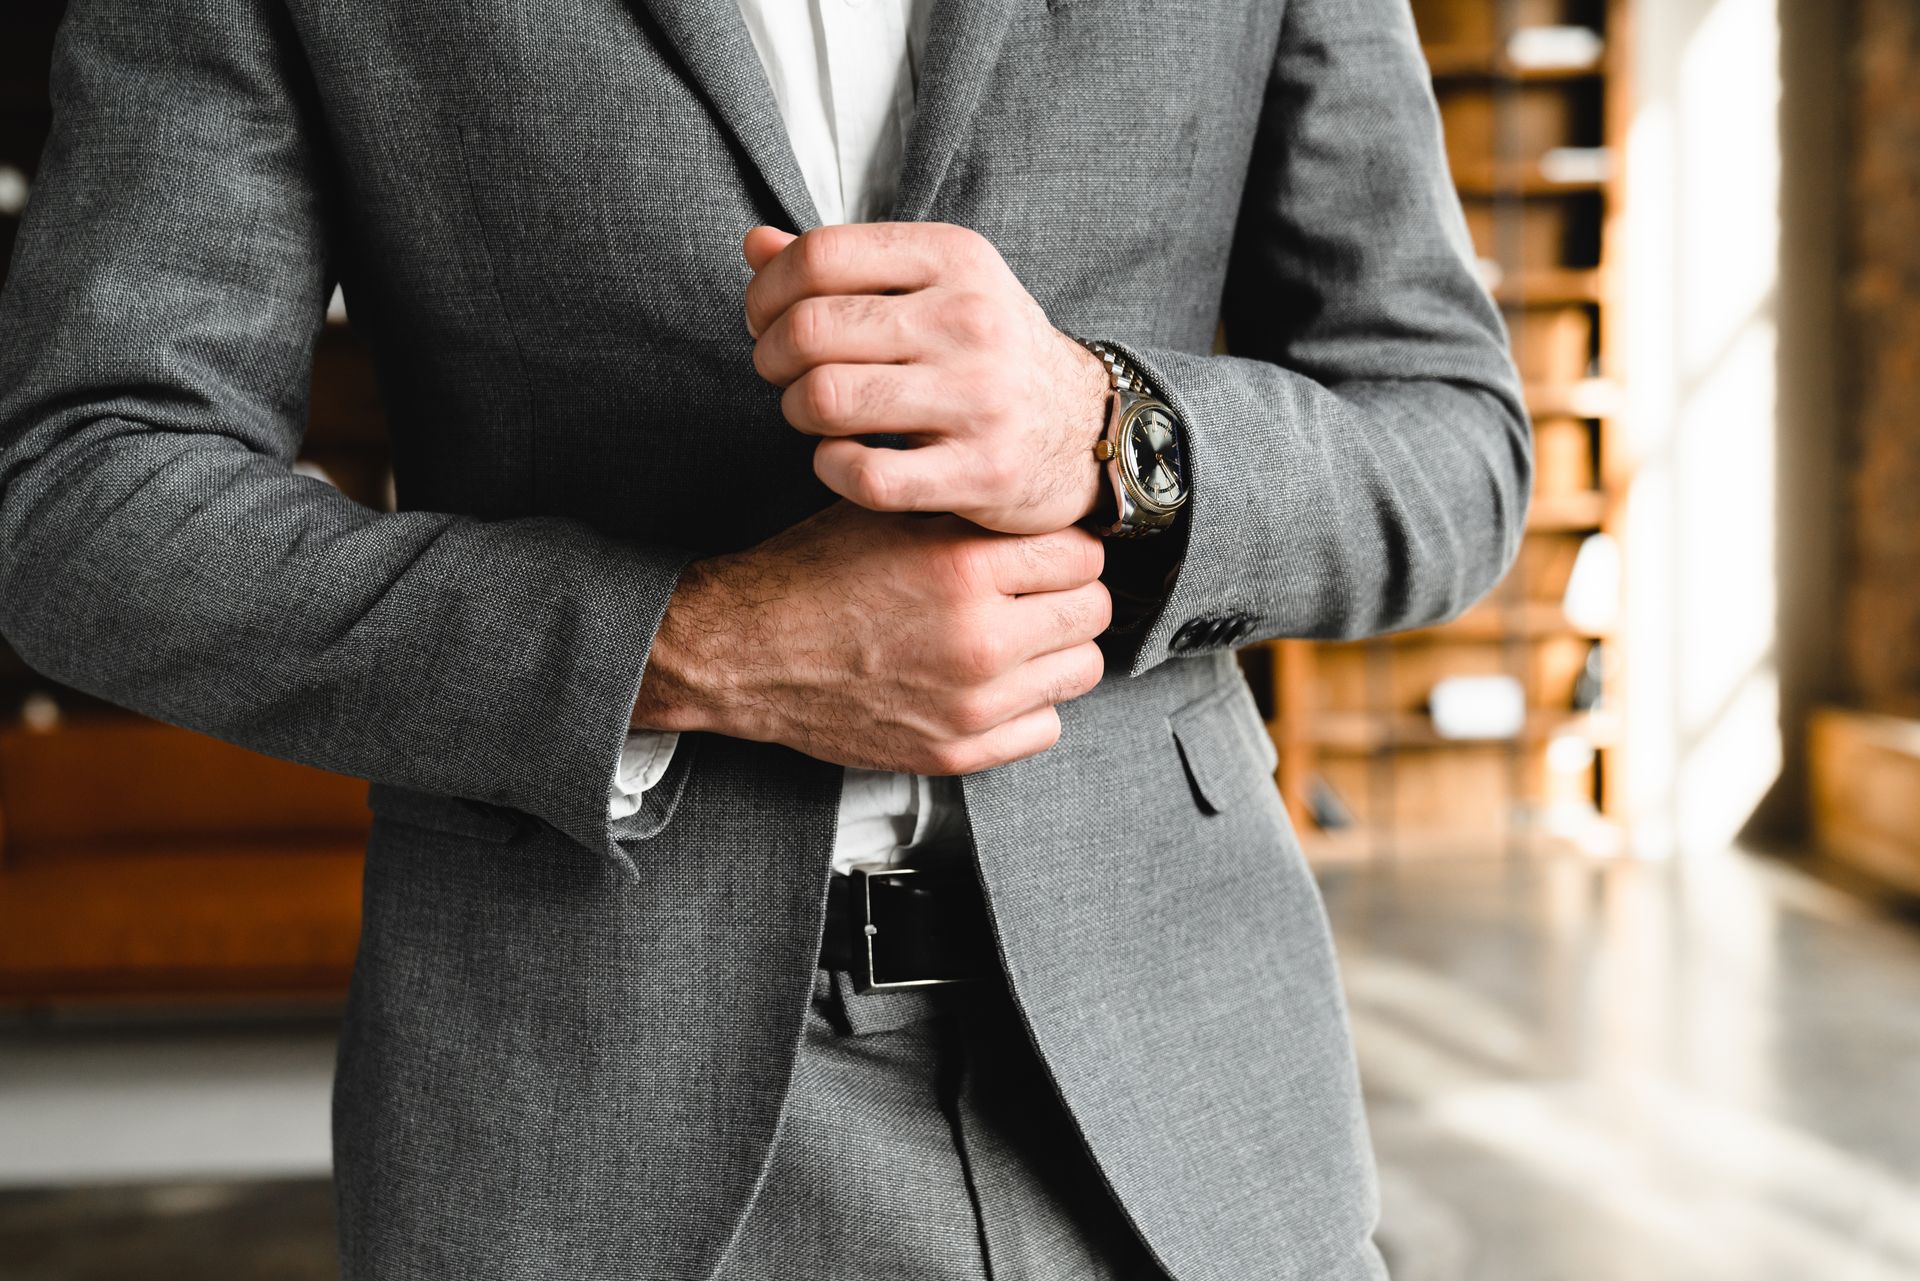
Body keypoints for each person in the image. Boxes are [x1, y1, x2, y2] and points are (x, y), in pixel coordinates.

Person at [0, 0, 1529, 1275]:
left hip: (1192, 1105)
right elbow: (82, 491)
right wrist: (689, 646)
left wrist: (1103, 428)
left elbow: (1456, 445)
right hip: (586, 1128)